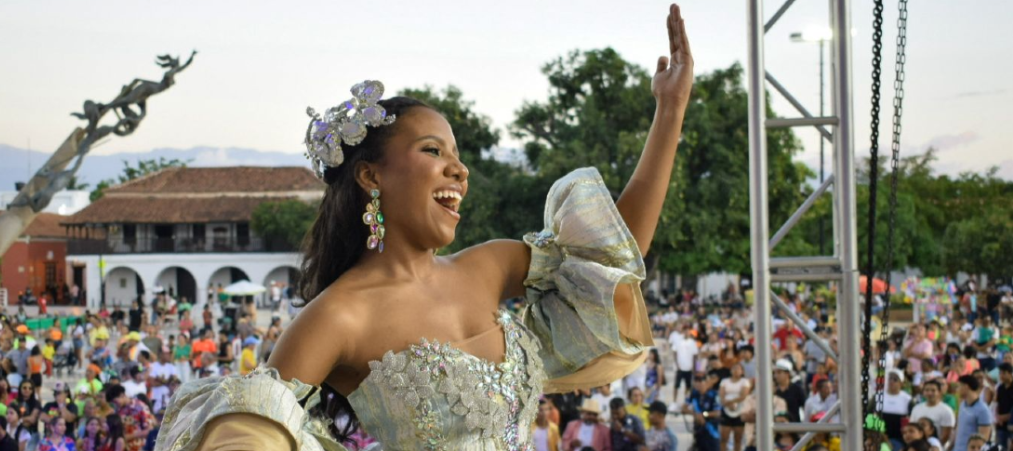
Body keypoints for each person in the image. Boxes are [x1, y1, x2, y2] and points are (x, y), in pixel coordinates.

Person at [157, 5, 693, 450]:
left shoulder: (490, 266)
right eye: (433, 151)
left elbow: (614, 259)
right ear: (371, 175)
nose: (458, 169)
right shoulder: (337, 316)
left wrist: (670, 109)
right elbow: (253, 425)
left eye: (457, 156)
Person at [952, 375, 993, 451]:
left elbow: (984, 438)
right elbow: (959, 428)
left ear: (966, 386)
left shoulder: (983, 410)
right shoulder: (962, 405)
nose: (957, 390)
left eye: (958, 386)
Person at [911, 379, 957, 446]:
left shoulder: (947, 410)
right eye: (927, 390)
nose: (929, 393)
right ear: (923, 392)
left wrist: (935, 447)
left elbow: (946, 435)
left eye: (933, 390)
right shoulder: (916, 408)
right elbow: (913, 428)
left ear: (939, 392)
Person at [718, 362, 750, 451]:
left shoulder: (744, 381)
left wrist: (732, 402)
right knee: (724, 438)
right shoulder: (725, 381)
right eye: (734, 368)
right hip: (726, 410)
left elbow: (743, 395)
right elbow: (721, 395)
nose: (736, 371)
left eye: (738, 369)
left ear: (742, 371)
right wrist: (728, 404)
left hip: (739, 410)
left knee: (738, 438)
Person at [996, 363, 1013, 450]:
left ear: (1010, 373)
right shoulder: (1000, 388)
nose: (1001, 376)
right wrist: (998, 418)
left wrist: (1005, 418)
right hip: (1001, 425)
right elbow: (997, 404)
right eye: (1000, 373)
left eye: (1004, 373)